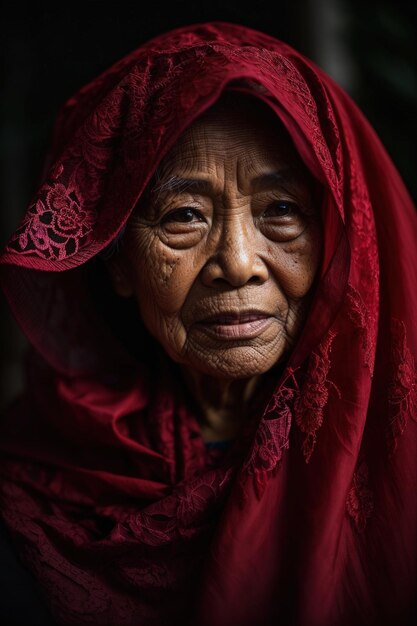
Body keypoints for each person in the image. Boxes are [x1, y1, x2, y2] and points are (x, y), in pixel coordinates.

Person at [0, 21, 416, 626]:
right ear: (117, 261)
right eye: (184, 216)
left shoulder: (400, 461)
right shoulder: (39, 485)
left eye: (281, 211)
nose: (239, 264)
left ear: (338, 243)